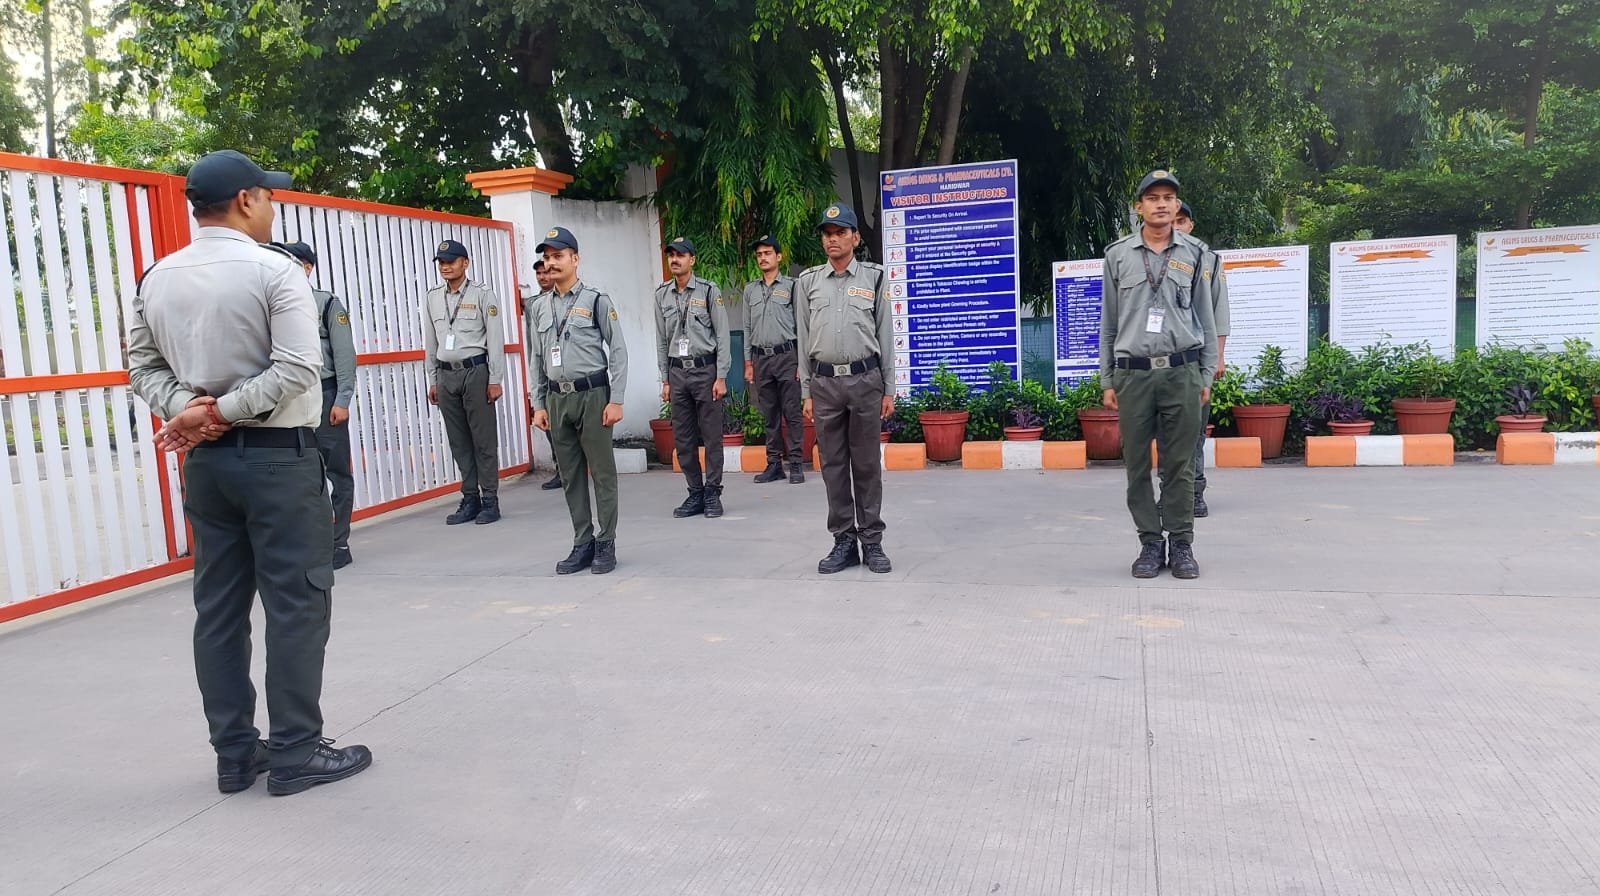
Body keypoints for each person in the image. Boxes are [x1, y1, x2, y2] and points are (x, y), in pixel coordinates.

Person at [127, 149, 371, 796]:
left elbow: (142, 367)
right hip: (277, 459)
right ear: (245, 200)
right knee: (297, 603)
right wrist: (221, 413)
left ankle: (235, 755)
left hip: (207, 467)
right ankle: (295, 751)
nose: (271, 207)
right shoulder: (276, 271)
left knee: (218, 609)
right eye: (268, 196)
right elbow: (297, 367)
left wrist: (190, 411)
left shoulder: (157, 278)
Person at [1100, 170, 1218, 580]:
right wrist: (1107, 379)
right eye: (1153, 198)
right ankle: (1150, 542)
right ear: (1139, 207)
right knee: (1136, 465)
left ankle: (1182, 543)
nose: (1162, 204)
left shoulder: (1196, 254)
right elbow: (1109, 323)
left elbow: (1206, 318)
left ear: (1176, 206)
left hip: (1182, 372)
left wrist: (1206, 375)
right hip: (1133, 376)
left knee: (1179, 465)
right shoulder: (1118, 256)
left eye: (1168, 197)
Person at [793, 203, 895, 575]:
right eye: (827, 234)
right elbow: (803, 339)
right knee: (833, 466)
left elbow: (886, 335)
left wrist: (889, 388)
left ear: (855, 237)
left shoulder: (875, 278)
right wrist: (806, 391)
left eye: (840, 233)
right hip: (824, 385)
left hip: (865, 381)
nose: (832, 239)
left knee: (866, 465)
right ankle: (844, 541)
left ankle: (872, 541)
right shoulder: (808, 282)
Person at [527, 226, 629, 574]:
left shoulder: (596, 300)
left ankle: (606, 541)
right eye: (547, 258)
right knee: (570, 475)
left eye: (558, 256)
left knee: (602, 473)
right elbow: (536, 359)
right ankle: (582, 542)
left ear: (575, 259)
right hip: (558, 399)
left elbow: (618, 350)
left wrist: (616, 399)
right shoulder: (539, 308)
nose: (551, 263)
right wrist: (539, 404)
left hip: (593, 396)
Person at [279, 241, 358, 569]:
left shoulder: (326, 304)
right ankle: (312, 541)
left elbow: (344, 355)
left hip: (325, 398)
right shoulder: (275, 305)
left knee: (337, 472)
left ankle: (339, 543)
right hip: (290, 401)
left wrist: (342, 399)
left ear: (308, 268)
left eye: (294, 262)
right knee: (302, 475)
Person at [423, 239, 506, 525]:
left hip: (475, 372)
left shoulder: (483, 294)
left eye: (451, 261)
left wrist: (495, 379)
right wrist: (433, 379)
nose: (445, 267)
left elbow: (495, 339)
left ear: (465, 263)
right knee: (458, 441)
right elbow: (430, 342)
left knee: (483, 440)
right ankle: (470, 498)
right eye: (441, 262)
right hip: (446, 374)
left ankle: (490, 500)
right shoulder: (433, 297)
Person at [653, 237, 731, 518]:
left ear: (692, 259)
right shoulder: (661, 295)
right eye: (671, 255)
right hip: (677, 373)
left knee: (711, 437)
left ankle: (713, 493)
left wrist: (721, 376)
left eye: (681, 255)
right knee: (683, 438)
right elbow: (661, 340)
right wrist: (665, 379)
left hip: (705, 371)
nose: (675, 260)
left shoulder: (709, 291)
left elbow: (722, 335)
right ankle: (695, 493)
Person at [1172, 201, 1230, 518]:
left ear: (1191, 225)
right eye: (1171, 221)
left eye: (1182, 221)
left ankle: (1195, 493)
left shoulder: (1210, 261)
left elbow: (1220, 310)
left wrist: (1218, 356)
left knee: (1194, 430)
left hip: (1195, 361)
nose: (1176, 227)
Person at [742, 234, 805, 484]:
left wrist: (802, 362)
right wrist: (748, 363)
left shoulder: (792, 286)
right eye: (759, 254)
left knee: (792, 412)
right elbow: (747, 328)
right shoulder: (750, 290)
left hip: (787, 356)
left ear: (779, 257)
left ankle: (797, 464)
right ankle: (774, 464)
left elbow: (802, 325)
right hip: (761, 359)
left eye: (767, 253)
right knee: (769, 415)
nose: (763, 258)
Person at [527, 259, 563, 491]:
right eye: (539, 273)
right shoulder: (534, 304)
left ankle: (577, 468)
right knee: (551, 426)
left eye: (546, 273)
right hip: (545, 371)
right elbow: (533, 343)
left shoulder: (568, 300)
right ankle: (561, 469)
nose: (543, 277)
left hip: (566, 374)